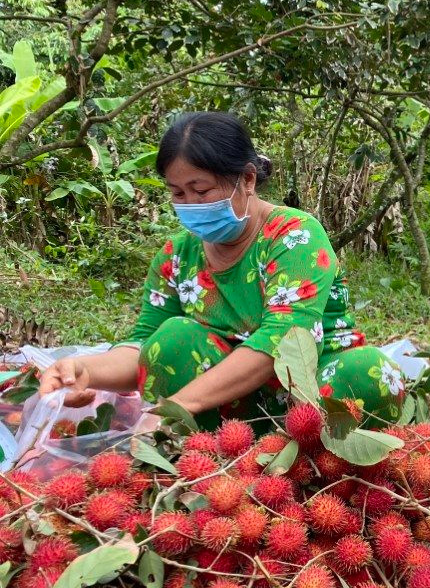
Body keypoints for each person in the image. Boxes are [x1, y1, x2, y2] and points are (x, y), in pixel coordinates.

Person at [39, 112, 403, 427]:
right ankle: (210, 458)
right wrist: (87, 370)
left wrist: (180, 405)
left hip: (311, 391)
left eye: (201, 190)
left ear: (247, 179)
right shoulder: (177, 254)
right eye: (178, 194)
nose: (190, 204)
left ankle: (314, 460)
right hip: (228, 405)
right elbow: (141, 346)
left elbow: (280, 342)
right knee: (171, 340)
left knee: (368, 373)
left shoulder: (295, 236)